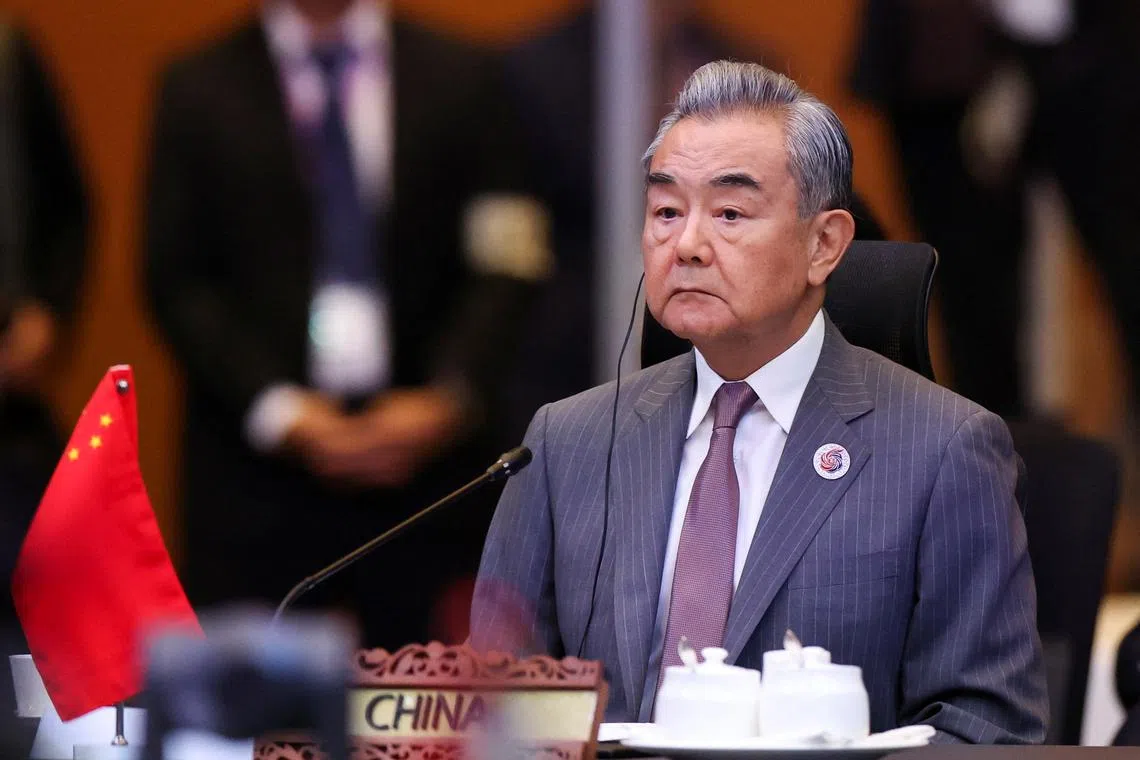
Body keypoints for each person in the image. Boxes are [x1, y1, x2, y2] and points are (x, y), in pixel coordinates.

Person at [471, 61, 1047, 743]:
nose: (685, 245)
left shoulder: (944, 449)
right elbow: (493, 702)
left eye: (730, 213)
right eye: (665, 211)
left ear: (824, 244)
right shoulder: (564, 441)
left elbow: (987, 729)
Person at [144, 0, 546, 648]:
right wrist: (280, 411)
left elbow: (510, 256)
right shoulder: (198, 84)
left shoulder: (465, 76)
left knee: (438, 726)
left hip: (431, 478)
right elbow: (178, 279)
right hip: (257, 479)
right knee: (248, 729)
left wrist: (448, 396)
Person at [0, 17, 89, 753]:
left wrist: (46, 313)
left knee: (37, 691)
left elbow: (69, 207)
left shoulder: (8, 47)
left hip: (12, 430)